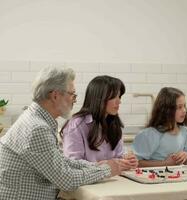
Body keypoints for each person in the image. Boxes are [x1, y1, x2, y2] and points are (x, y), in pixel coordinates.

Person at [0, 67, 122, 199]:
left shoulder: (36, 120)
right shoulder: (37, 128)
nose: (74, 100)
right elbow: (66, 180)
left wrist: (95, 166)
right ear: (55, 96)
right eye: (72, 94)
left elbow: (61, 162)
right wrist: (106, 170)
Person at [61, 75, 137, 170]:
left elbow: (119, 156)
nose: (119, 102)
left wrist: (127, 161)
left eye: (119, 96)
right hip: (87, 183)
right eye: (113, 97)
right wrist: (105, 165)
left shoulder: (114, 123)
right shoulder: (76, 124)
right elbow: (72, 163)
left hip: (112, 180)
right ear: (99, 98)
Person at [132, 87, 187, 167]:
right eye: (179, 107)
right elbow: (136, 163)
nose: (184, 110)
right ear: (167, 110)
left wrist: (186, 156)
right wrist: (165, 163)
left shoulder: (185, 133)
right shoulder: (150, 134)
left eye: (184, 106)